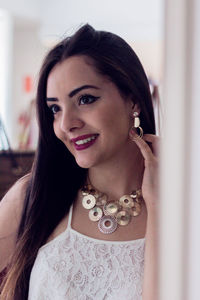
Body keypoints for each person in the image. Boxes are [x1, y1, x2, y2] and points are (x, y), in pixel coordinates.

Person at [0, 24, 159, 299]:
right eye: (55, 108)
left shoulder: (181, 209)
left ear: (132, 99)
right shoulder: (33, 197)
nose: (66, 124)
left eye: (85, 99)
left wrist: (159, 205)